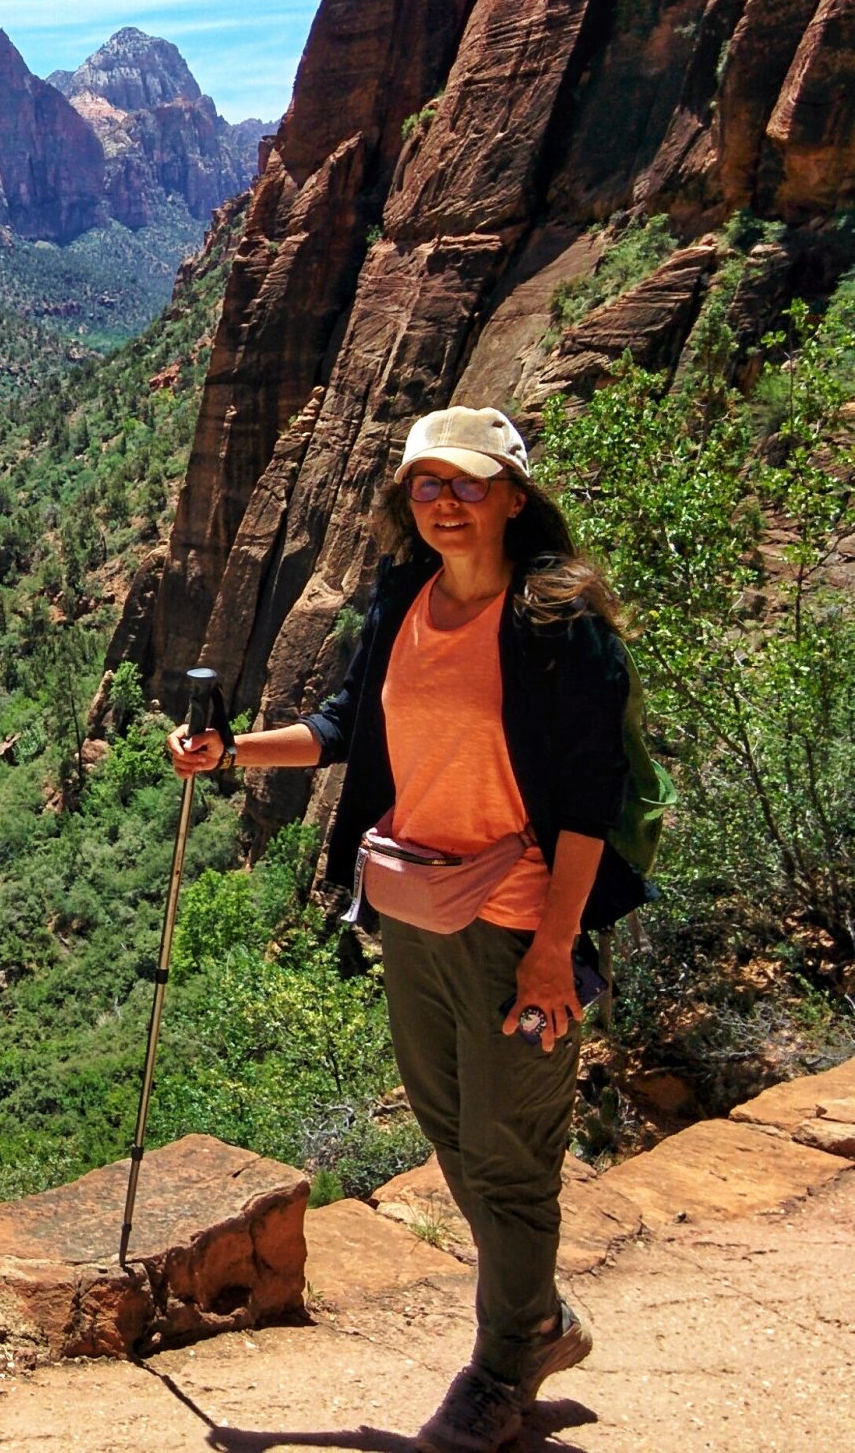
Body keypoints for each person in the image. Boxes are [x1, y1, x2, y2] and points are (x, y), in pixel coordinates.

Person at [167, 406, 646, 1453]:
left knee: (511, 1155)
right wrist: (232, 750)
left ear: (515, 494)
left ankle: (498, 1371)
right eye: (426, 483)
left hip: (521, 924)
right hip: (415, 909)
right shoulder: (403, 596)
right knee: (455, 1141)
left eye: (467, 482)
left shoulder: (560, 625)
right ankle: (542, 1319)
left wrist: (554, 949)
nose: (444, 500)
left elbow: (589, 802)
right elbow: (346, 724)